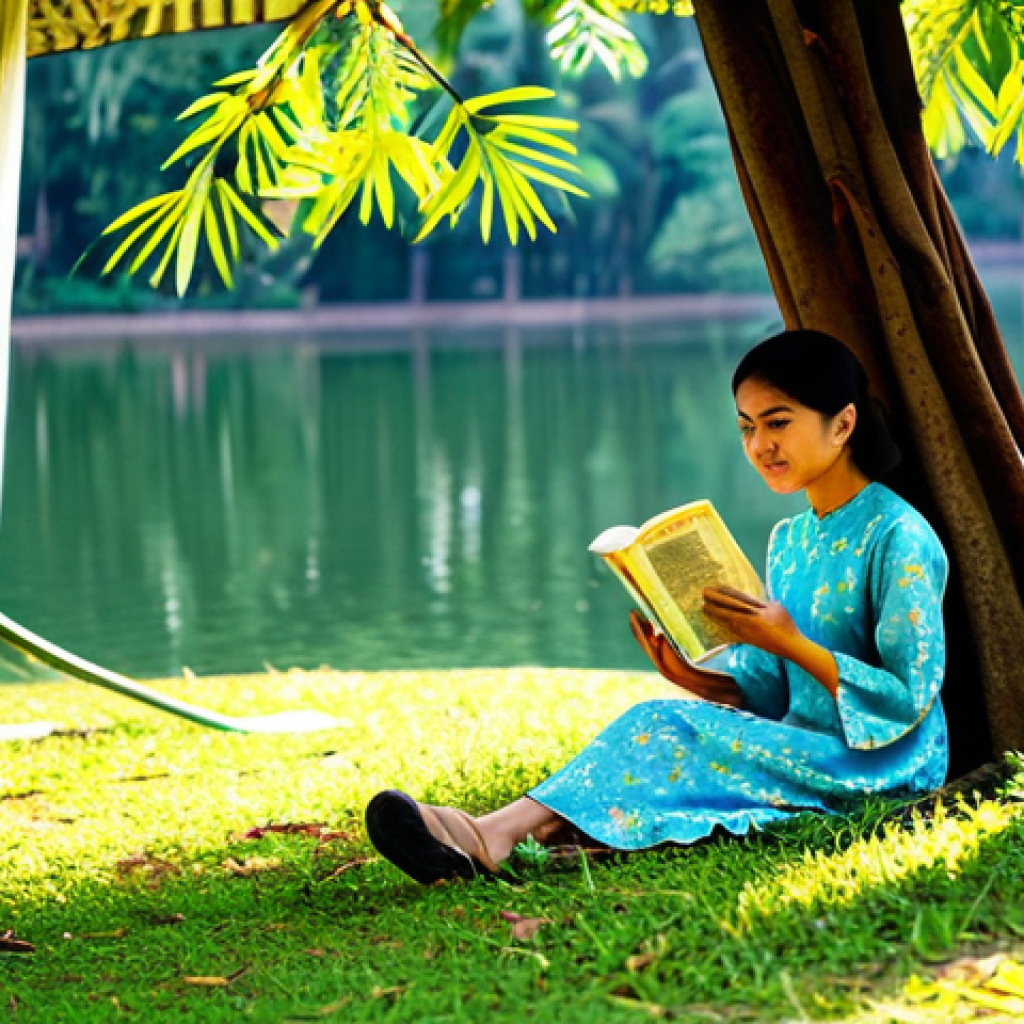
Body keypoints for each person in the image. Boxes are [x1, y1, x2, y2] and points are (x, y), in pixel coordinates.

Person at [365, 329, 949, 885]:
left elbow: (910, 693)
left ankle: (490, 835)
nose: (760, 445)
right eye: (746, 427)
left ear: (843, 422)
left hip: (884, 766)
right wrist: (696, 678)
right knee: (665, 727)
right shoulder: (789, 541)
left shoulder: (898, 534)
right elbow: (778, 694)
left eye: (778, 423)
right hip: (804, 745)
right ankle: (499, 835)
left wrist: (789, 641)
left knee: (657, 727)